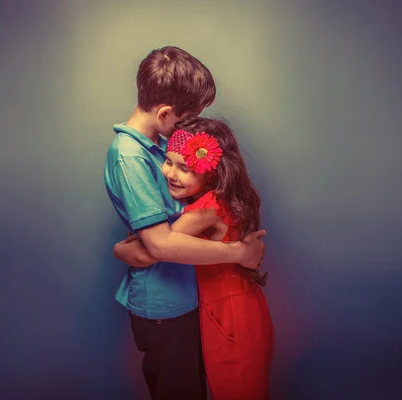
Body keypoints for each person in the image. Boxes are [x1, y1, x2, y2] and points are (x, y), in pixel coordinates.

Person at [103, 46, 267, 400]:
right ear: (165, 112)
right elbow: (161, 244)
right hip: (164, 305)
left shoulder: (161, 145)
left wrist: (128, 249)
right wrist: (239, 251)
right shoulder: (130, 156)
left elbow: (173, 225)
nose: (188, 128)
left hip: (188, 296)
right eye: (187, 117)